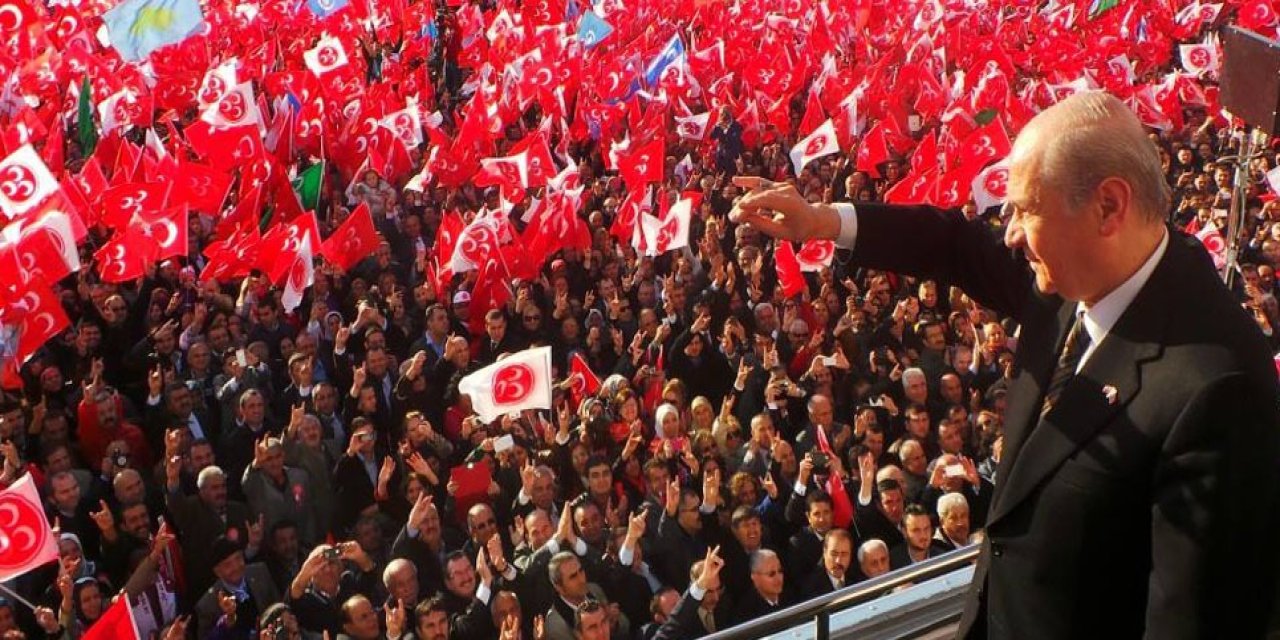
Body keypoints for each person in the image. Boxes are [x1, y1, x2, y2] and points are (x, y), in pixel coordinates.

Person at [730, 91, 1280, 638]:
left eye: (1027, 209)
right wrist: (822, 221)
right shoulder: (1076, 275)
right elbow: (955, 245)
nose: (1012, 232)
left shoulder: (1217, 389)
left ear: (1109, 207)